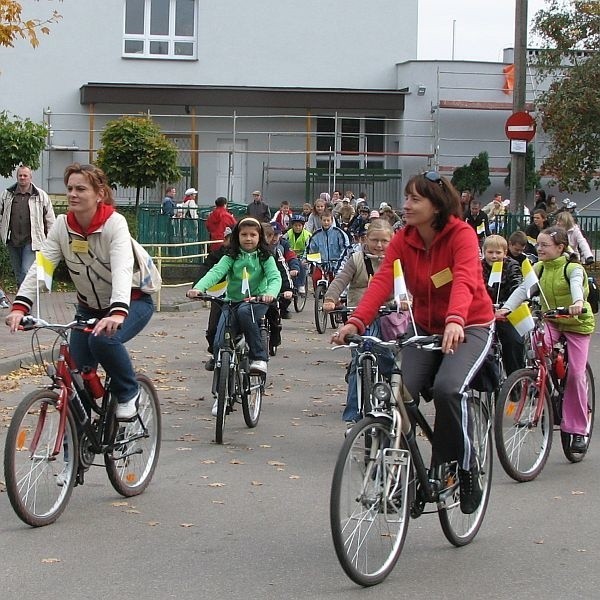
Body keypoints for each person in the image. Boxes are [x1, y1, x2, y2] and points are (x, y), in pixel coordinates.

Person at [334, 171, 495, 515]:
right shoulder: (403, 239)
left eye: (414, 199)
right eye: (406, 198)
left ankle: (465, 468)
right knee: (397, 396)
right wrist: (356, 321)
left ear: (436, 206)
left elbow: (465, 278)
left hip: (471, 324)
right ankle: (405, 478)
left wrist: (455, 320)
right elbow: (382, 282)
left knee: (449, 389)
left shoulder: (461, 234)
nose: (405, 205)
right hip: (425, 327)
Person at [5, 163, 158, 420]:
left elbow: (122, 268)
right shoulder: (63, 226)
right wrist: (20, 306)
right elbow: (41, 267)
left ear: (99, 194)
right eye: (70, 189)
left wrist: (118, 313)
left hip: (132, 301)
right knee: (73, 376)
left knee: (103, 339)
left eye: (81, 189)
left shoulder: (114, 224)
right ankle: (75, 452)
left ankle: (128, 392)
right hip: (88, 307)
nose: (72, 194)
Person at [497, 226, 595, 453]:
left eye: (544, 245)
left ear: (560, 248)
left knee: (577, 375)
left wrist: (577, 304)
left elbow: (577, 287)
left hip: (577, 324)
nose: (538, 248)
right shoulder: (539, 268)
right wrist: (505, 309)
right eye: (538, 245)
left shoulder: (573, 268)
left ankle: (579, 429)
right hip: (552, 320)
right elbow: (524, 290)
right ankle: (546, 388)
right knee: (535, 347)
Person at [186, 216, 281, 386]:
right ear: (237, 236)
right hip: (232, 302)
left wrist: (270, 293)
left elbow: (275, 277)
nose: (248, 238)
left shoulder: (265, 257)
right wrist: (198, 288)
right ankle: (219, 393)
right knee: (218, 341)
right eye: (244, 234)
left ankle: (259, 357)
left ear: (260, 237)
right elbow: (216, 272)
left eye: (253, 234)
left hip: (256, 301)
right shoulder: (231, 256)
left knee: (245, 312)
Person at [323, 219, 396, 425]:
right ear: (365, 239)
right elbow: (340, 280)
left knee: (389, 360)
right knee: (359, 362)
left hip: (387, 314)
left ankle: (395, 400)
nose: (379, 245)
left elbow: (405, 284)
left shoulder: (397, 261)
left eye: (384, 241)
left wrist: (407, 300)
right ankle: (352, 416)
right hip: (359, 315)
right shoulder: (355, 259)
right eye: (375, 240)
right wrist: (330, 299)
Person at [0, 165, 56, 286]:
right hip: (12, 241)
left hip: (31, 242)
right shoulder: (7, 194)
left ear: (30, 177)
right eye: (20, 175)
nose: (22, 178)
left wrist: (51, 240)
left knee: (26, 271)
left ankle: (23, 300)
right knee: (18, 272)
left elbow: (50, 219)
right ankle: (24, 299)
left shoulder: (40, 195)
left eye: (25, 175)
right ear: (17, 177)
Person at [480, 235, 524, 375]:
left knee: (513, 342)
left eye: (498, 253)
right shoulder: (478, 267)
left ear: (505, 253)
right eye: (490, 252)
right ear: (483, 251)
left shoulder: (511, 265)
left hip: (506, 312)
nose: (494, 256)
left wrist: (507, 306)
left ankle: (514, 380)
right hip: (484, 313)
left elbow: (517, 286)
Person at [197, 226, 233, 372]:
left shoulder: (246, 255)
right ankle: (215, 353)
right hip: (219, 295)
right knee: (213, 328)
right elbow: (207, 271)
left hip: (240, 297)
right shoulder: (217, 255)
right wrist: (198, 288)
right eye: (230, 239)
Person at [305, 209, 350, 288]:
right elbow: (310, 249)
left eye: (328, 220)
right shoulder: (316, 235)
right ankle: (318, 295)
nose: (326, 222)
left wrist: (342, 262)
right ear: (321, 221)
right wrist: (306, 259)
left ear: (332, 221)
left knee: (336, 283)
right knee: (315, 278)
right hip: (321, 264)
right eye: (324, 220)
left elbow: (346, 249)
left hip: (336, 264)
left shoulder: (339, 233)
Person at [268, 221, 299, 318]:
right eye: (270, 235)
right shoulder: (260, 249)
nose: (273, 238)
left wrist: (294, 268)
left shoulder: (283, 246)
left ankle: (283, 308)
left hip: (280, 274)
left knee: (286, 292)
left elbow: (291, 258)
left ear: (280, 235)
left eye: (276, 235)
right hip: (263, 282)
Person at [284, 214, 311, 294]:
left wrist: (304, 258)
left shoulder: (307, 235)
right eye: (295, 225)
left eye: (299, 225)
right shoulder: (288, 234)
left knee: (302, 265)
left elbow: (308, 248)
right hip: (291, 255)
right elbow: (282, 242)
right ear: (292, 226)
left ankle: (301, 285)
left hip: (303, 255)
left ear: (303, 226)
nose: (297, 227)